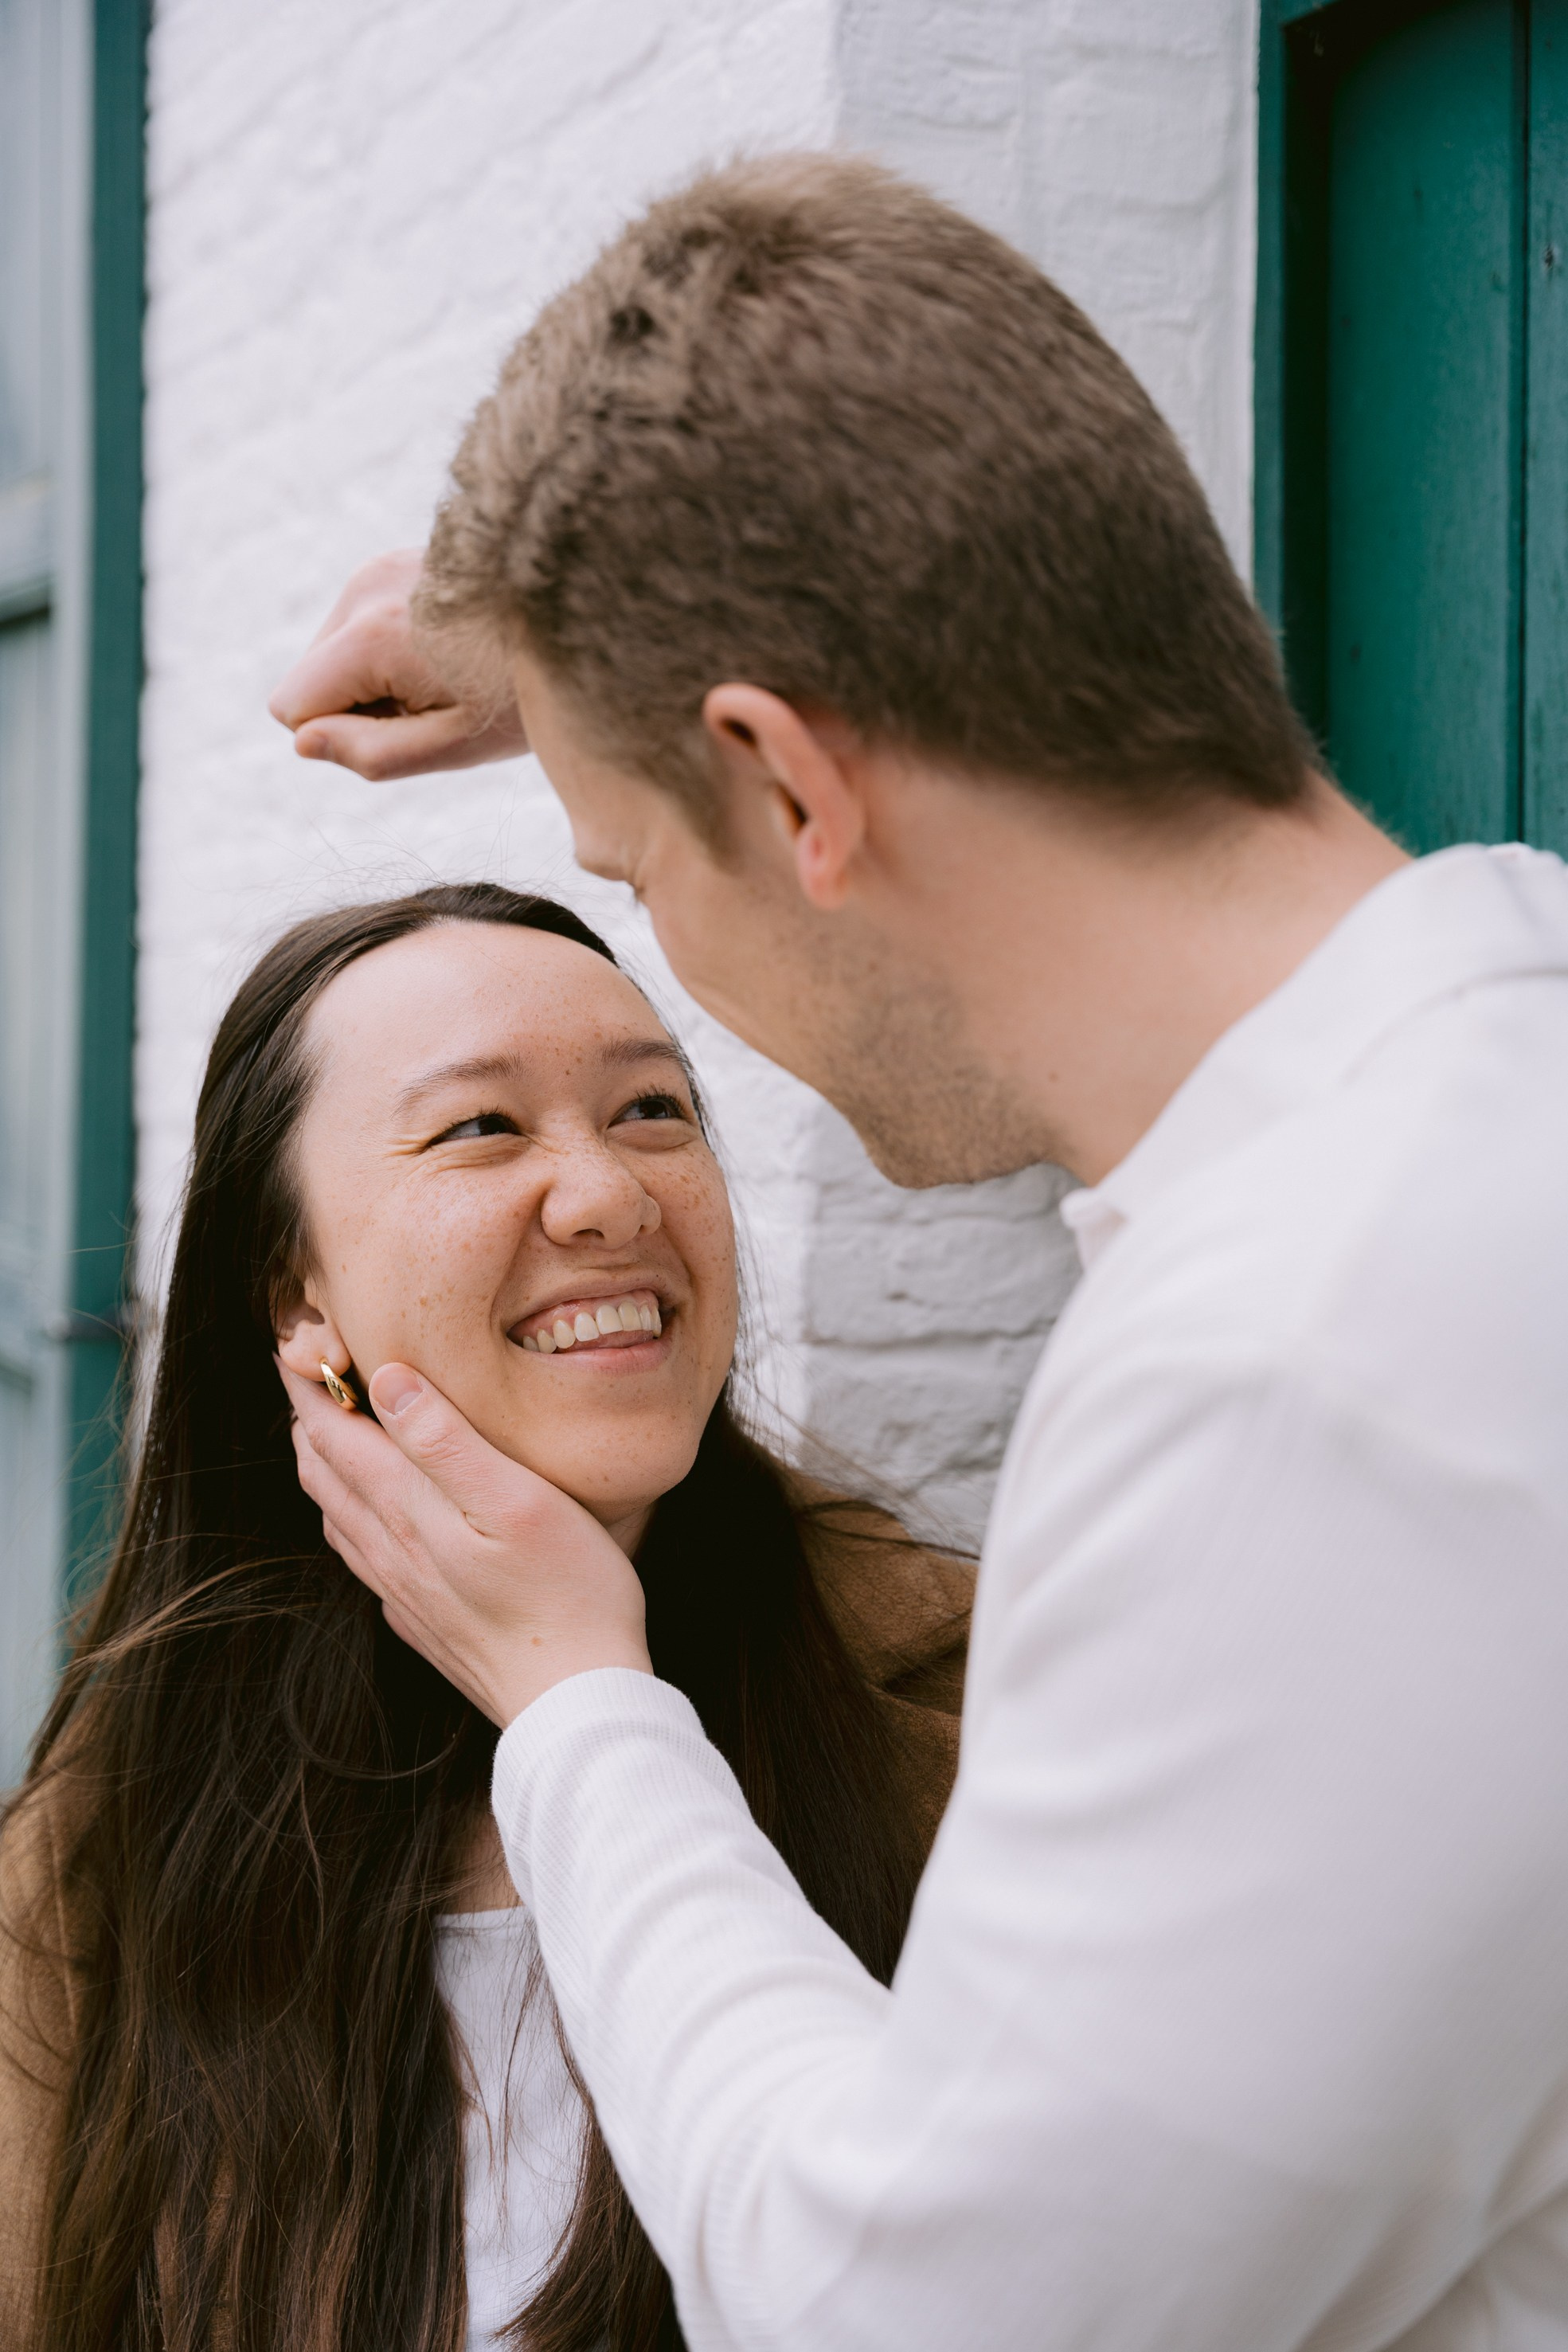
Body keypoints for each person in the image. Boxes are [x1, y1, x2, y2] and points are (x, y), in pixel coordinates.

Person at [268, 156, 1568, 2350]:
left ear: (787, 784)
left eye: (631, 866)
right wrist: (592, 665)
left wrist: (583, 1704)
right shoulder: (1494, 1066)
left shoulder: (1297, 1367)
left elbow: (919, 2315)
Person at [0, 882, 970, 2351]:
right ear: (293, 1289)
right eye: (481, 1128)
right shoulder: (108, 1845)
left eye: (654, 1109)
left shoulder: (965, 1719)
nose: (609, 1196)